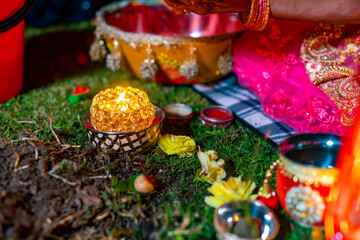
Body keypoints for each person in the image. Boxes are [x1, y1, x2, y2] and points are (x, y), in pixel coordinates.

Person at [163, 0, 360, 136]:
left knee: (329, 106)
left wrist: (255, 4)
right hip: (297, 20)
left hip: (347, 25)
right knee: (255, 57)